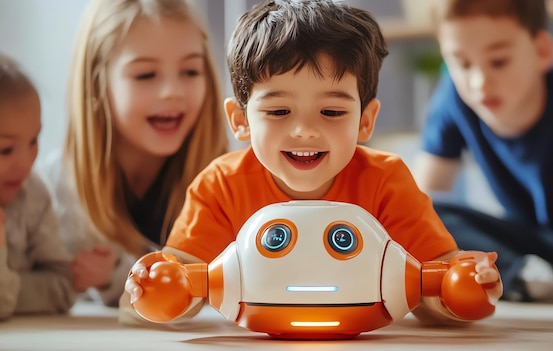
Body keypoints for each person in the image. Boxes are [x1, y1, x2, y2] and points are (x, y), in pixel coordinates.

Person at [121, 0, 502, 327]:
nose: (304, 131)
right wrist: (153, 290)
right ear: (240, 120)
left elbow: (435, 285)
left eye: (332, 111)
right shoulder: (221, 185)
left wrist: (468, 289)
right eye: (280, 110)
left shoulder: (387, 181)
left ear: (366, 121)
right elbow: (183, 284)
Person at [413, 0, 553, 305]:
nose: (479, 83)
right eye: (462, 64)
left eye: (498, 61)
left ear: (542, 52)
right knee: (423, 212)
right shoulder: (452, 100)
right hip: (539, 249)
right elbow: (419, 198)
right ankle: (543, 279)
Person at [38, 0, 229, 307]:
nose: (173, 91)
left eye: (191, 71)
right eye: (145, 75)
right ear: (97, 84)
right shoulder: (54, 188)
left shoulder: (228, 181)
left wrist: (113, 275)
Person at [0, 52, 77, 320]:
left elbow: (64, 285)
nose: (26, 163)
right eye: (5, 150)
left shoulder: (34, 195)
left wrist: (4, 283)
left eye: (33, 141)